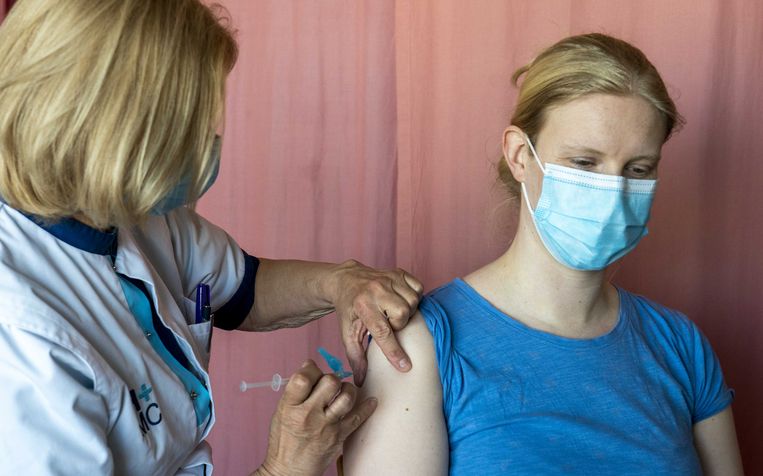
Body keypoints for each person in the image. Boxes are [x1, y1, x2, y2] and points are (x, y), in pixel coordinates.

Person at [0, 1, 423, 475]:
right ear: (116, 130)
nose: (210, 147)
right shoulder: (21, 340)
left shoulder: (125, 211)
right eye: (194, 131)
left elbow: (241, 288)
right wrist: (284, 468)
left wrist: (342, 283)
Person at [343, 33, 744, 475]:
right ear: (519, 155)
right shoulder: (422, 345)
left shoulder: (680, 346)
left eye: (638, 168)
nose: (613, 193)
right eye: (584, 163)